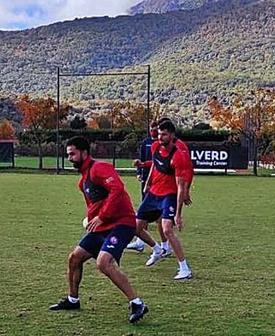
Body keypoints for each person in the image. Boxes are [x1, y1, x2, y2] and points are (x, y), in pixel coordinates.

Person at [49, 136, 149, 323]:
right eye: (68, 154)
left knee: (103, 263)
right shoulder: (83, 180)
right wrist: (91, 219)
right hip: (101, 227)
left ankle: (137, 303)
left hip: (122, 224)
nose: (69, 158)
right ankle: (73, 299)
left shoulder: (99, 168)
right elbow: (95, 203)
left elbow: (117, 189)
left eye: (72, 154)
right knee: (74, 258)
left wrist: (102, 216)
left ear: (84, 153)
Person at [133, 119, 195, 280]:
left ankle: (184, 269)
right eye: (159, 134)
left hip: (169, 196)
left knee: (167, 229)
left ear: (172, 136)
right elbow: (154, 164)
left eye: (164, 134)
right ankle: (157, 249)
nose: (160, 137)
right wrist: (147, 184)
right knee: (136, 227)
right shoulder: (155, 147)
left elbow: (180, 186)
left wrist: (178, 214)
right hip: (153, 194)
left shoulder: (178, 156)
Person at [127, 121, 169, 253]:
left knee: (157, 216)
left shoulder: (163, 146)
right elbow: (142, 159)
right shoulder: (145, 142)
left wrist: (143, 165)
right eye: (152, 129)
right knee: (144, 212)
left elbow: (155, 163)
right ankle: (142, 242)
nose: (154, 131)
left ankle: (164, 246)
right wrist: (140, 172)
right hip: (147, 181)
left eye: (157, 130)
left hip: (158, 184)